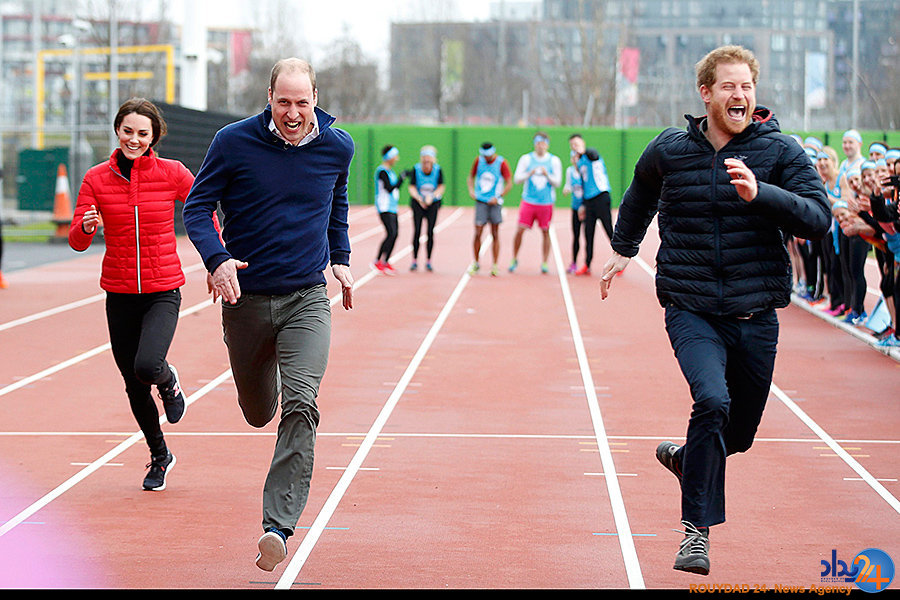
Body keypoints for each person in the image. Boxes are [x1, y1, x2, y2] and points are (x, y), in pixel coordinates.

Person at [597, 46, 830, 576]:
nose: (739, 95)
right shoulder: (671, 150)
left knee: (736, 437)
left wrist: (762, 193)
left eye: (747, 86)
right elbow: (638, 196)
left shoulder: (780, 152)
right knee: (712, 401)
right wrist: (622, 249)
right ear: (706, 93)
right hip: (691, 306)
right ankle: (695, 535)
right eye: (728, 86)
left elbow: (818, 218)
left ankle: (687, 461)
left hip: (755, 313)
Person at [182, 57, 355, 572]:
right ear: (269, 98)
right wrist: (217, 261)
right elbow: (196, 207)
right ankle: (264, 382)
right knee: (259, 410)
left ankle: (277, 526)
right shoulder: (233, 142)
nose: (294, 113)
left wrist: (340, 258)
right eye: (284, 102)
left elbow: (336, 204)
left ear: (316, 99)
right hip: (246, 301)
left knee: (302, 404)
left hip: (306, 297)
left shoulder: (337, 146)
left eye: (303, 103)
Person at [69, 98, 212, 491]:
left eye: (142, 133)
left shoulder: (172, 173)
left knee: (148, 365)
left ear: (154, 137)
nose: (134, 139)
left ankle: (169, 381)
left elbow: (201, 207)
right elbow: (77, 241)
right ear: (118, 131)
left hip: (163, 289)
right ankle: (159, 455)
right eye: (128, 131)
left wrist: (219, 255)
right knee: (133, 384)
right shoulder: (96, 178)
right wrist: (85, 225)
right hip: (119, 293)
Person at [508, 132, 562, 274]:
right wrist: (529, 173)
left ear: (547, 144)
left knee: (545, 231)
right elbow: (517, 179)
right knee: (520, 230)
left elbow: (557, 182)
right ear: (534, 144)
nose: (541, 146)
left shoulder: (554, 160)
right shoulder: (526, 159)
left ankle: (544, 262)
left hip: (546, 203)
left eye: (543, 143)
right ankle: (514, 258)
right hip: (528, 201)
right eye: (538, 143)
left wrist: (547, 175)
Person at [568, 133, 614, 276]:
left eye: (577, 144)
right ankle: (587, 264)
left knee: (608, 229)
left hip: (601, 196)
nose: (574, 147)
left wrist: (582, 151)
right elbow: (582, 184)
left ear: (582, 143)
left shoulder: (591, 155)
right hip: (589, 201)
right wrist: (582, 204)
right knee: (588, 233)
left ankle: (620, 257)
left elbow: (593, 154)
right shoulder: (579, 163)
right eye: (572, 145)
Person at [467, 142, 512, 277]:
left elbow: (509, 182)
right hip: (481, 201)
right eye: (484, 155)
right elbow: (471, 176)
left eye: (488, 155)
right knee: (478, 232)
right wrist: (471, 190)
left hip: (495, 202)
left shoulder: (501, 163)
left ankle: (495, 265)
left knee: (495, 233)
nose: (486, 158)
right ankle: (476, 263)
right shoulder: (478, 161)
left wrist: (499, 196)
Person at [407, 145, 445, 272]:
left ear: (433, 160)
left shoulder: (438, 170)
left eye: (429, 161)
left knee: (430, 232)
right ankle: (414, 260)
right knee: (417, 231)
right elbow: (411, 186)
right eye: (425, 161)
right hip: (418, 203)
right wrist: (419, 198)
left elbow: (441, 186)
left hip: (432, 203)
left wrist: (432, 197)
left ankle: (428, 260)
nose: (427, 163)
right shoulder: (416, 169)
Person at [373, 145, 404, 273]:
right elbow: (389, 188)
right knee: (391, 233)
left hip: (392, 207)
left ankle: (385, 261)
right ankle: (378, 260)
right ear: (389, 157)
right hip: (384, 207)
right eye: (395, 156)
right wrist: (401, 179)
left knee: (395, 234)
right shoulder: (382, 171)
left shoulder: (390, 171)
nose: (397, 159)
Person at [563, 150, 585, 274]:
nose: (575, 160)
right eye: (573, 158)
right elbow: (568, 185)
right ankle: (574, 262)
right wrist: (566, 190)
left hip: (586, 208)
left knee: (588, 236)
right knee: (575, 235)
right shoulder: (569, 171)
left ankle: (587, 263)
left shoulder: (585, 171)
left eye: (577, 157)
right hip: (575, 207)